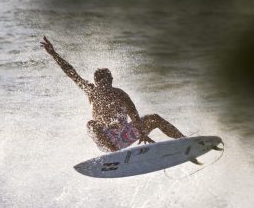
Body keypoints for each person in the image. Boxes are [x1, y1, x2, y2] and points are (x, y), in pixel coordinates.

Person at [40, 35, 186, 152]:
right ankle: (116, 153)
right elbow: (71, 73)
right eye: (101, 83)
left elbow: (134, 115)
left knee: (154, 118)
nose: (104, 87)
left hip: (124, 135)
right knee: (91, 125)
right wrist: (53, 54)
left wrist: (142, 133)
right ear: (96, 83)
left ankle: (185, 141)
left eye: (107, 83)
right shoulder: (91, 91)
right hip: (106, 141)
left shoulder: (120, 94)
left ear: (111, 81)